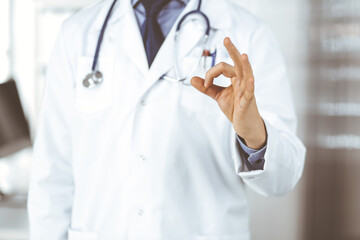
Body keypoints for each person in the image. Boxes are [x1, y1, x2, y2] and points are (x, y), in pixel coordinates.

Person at [28, 0, 306, 239]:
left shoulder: (246, 34)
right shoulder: (78, 34)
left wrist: (253, 134)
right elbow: (52, 175)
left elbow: (284, 178)